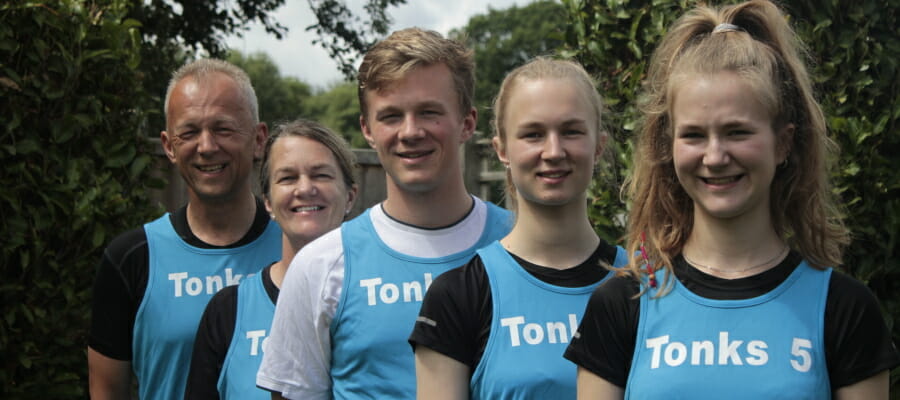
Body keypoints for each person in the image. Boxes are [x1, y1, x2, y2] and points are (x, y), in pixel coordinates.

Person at [564, 1, 900, 399]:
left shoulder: (843, 308)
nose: (715, 156)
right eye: (693, 135)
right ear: (669, 146)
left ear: (783, 143)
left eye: (737, 132)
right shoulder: (622, 304)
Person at [256, 28, 513, 399]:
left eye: (429, 112)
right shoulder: (321, 265)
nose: (410, 131)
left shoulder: (517, 244)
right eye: (391, 116)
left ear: (468, 122)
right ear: (367, 130)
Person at [410, 57, 628, 400]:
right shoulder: (459, 295)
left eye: (571, 131)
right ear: (502, 150)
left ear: (598, 145)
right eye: (533, 134)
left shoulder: (643, 285)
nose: (554, 151)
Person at [87, 58, 282, 400]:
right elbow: (106, 392)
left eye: (223, 129)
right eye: (189, 132)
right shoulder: (131, 259)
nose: (207, 146)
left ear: (258, 139)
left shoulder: (303, 250)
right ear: (169, 146)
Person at [184, 119, 358, 399]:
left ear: (350, 196)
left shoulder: (376, 296)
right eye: (287, 178)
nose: (304, 189)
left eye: (321, 175)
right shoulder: (230, 310)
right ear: (267, 201)